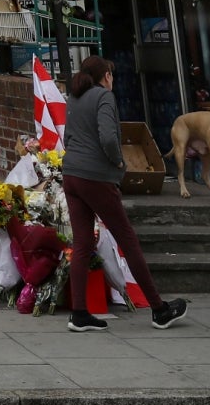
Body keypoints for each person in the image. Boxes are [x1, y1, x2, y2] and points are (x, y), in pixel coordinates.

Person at [59, 55, 188, 333]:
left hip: (72, 175)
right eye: (112, 75)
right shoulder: (104, 97)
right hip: (96, 177)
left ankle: (79, 313)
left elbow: (67, 136)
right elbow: (108, 136)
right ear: (106, 75)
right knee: (127, 240)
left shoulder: (75, 98)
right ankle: (159, 309)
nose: (113, 79)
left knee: (82, 244)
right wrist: (118, 161)